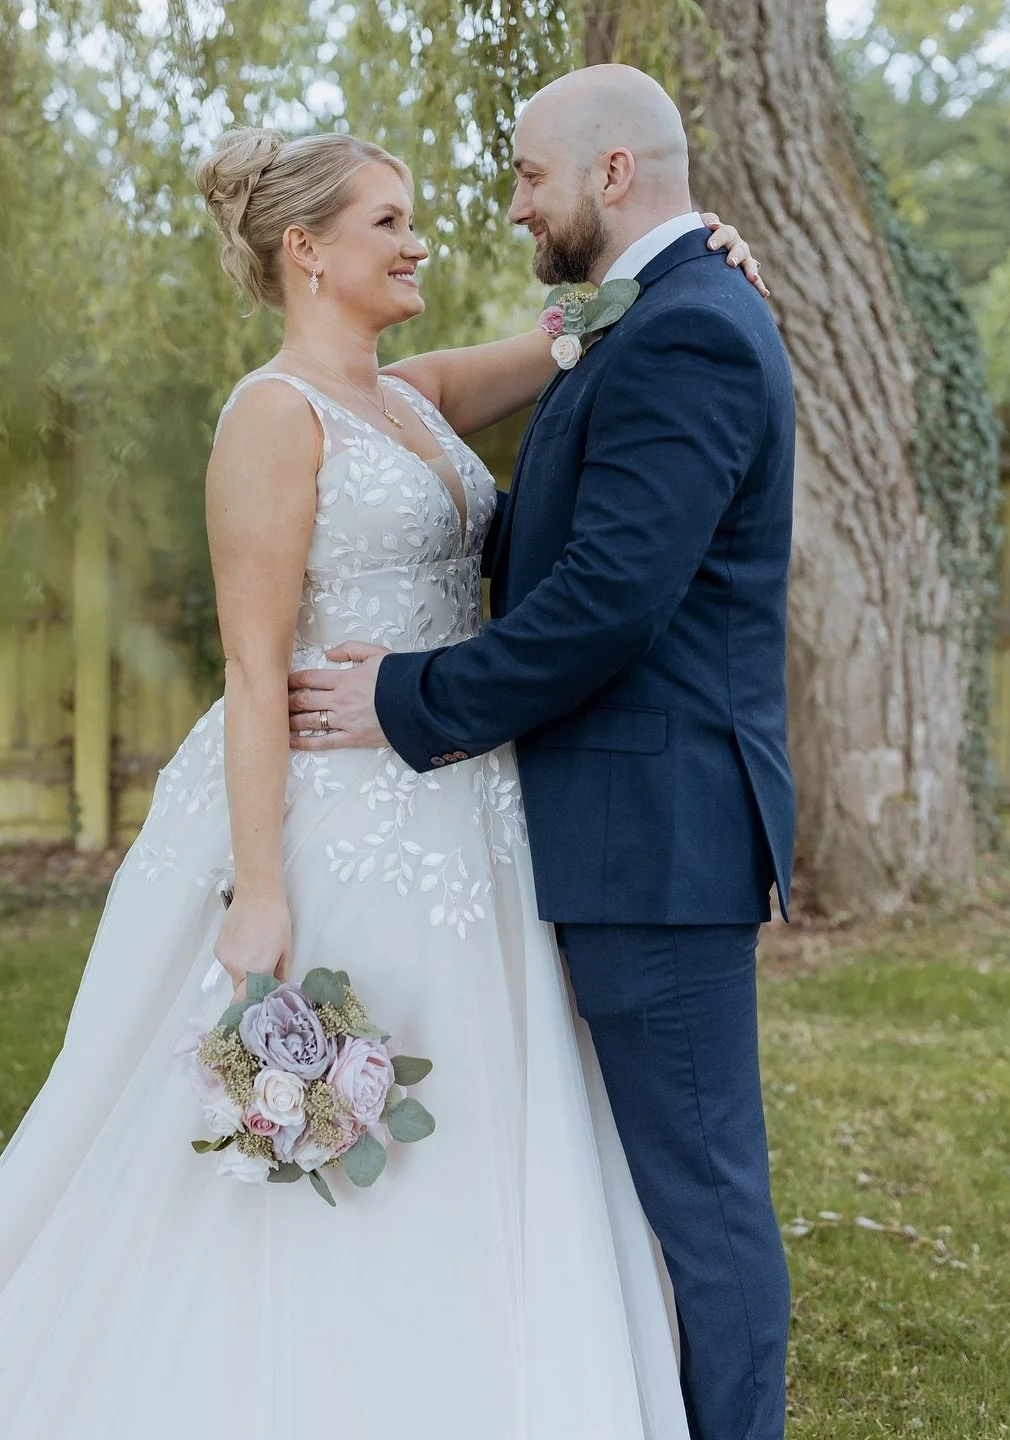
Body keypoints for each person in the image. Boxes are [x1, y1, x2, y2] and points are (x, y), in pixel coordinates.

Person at [0, 86, 770, 1440]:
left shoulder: (417, 401)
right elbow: (256, 673)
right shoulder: (270, 418)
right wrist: (260, 889)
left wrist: (684, 246)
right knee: (315, 1131)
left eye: (420, 219)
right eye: (391, 221)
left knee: (492, 1108)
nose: (421, 241)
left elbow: (583, 329)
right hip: (327, 803)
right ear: (306, 251)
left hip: (464, 808)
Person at [287, 65, 796, 1440]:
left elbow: (605, 609)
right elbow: (561, 539)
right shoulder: (653, 314)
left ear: (612, 174)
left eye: (526, 177)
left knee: (701, 1198)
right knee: (641, 1191)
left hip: (661, 843)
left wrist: (410, 696)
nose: (511, 207)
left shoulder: (691, 329)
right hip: (613, 834)